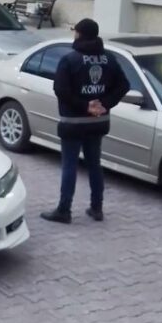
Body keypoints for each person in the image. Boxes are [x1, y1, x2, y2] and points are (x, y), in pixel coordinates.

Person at [41, 19, 130, 224]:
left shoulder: (70, 60)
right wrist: (105, 104)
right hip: (98, 122)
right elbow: (123, 85)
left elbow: (61, 90)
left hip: (72, 122)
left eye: (75, 32)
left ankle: (64, 210)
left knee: (69, 166)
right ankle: (97, 208)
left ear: (80, 34)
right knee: (95, 164)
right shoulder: (109, 59)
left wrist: (84, 106)